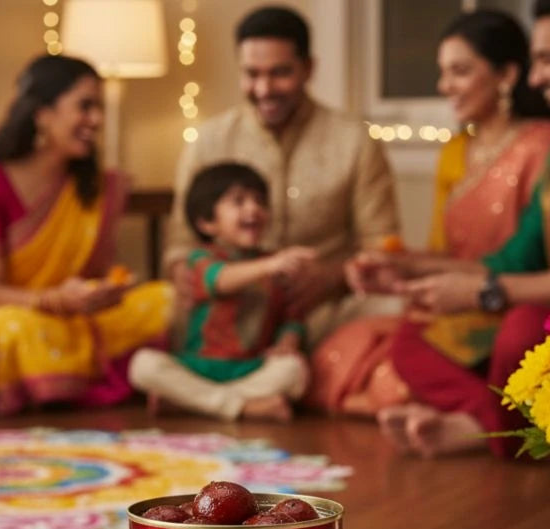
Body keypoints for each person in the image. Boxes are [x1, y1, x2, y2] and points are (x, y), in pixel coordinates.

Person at [347, 0, 550, 458]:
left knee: (521, 331)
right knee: (412, 339)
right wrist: (403, 269)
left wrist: (487, 294)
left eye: (546, 59)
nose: (535, 78)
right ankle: (497, 427)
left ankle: (486, 431)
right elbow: (512, 258)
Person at [310, 9, 550, 417]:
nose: (445, 86)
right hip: (460, 300)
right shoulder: (454, 152)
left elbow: (543, 257)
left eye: (460, 71)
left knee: (402, 360)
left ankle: (484, 425)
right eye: (442, 72)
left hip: (516, 298)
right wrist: (395, 266)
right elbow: (446, 254)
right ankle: (487, 420)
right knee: (345, 351)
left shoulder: (546, 146)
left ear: (507, 75)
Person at [163, 5, 399, 341]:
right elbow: (180, 244)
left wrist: (331, 277)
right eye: (252, 74)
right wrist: (195, 277)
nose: (264, 89)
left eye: (279, 73)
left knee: (396, 310)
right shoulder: (209, 141)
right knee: (152, 313)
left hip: (322, 310)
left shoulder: (355, 142)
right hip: (229, 313)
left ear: (308, 68)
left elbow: (381, 243)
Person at [0, 55, 173, 415]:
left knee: (166, 299)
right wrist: (55, 300)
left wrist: (109, 288)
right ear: (42, 113)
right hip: (20, 313)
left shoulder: (94, 185)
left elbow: (94, 273)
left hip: (79, 316)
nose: (96, 121)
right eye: (85, 107)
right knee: (8, 331)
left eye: (99, 109)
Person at [129, 162, 309, 422]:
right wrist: (270, 265)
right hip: (197, 368)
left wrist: (287, 341)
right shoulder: (201, 259)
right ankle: (243, 408)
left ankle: (193, 403)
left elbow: (292, 316)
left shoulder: (275, 266)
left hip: (250, 368)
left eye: (259, 201)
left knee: (295, 371)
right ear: (207, 223)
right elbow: (219, 281)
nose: (253, 209)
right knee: (143, 365)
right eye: (238, 201)